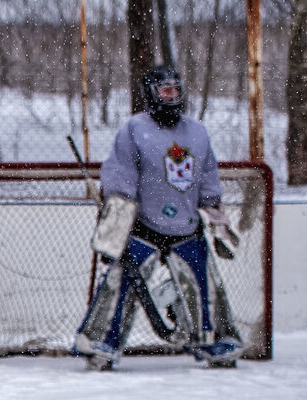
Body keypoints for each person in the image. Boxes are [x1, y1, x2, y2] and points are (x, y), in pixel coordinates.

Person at [74, 64, 242, 370]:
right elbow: (121, 178)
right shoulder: (134, 129)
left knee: (206, 286)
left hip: (187, 227)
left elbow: (207, 178)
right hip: (144, 228)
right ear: (152, 94)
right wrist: (116, 219)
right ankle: (101, 342)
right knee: (119, 284)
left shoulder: (198, 132)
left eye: (176, 91)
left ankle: (215, 340)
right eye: (166, 91)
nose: (172, 97)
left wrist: (217, 218)